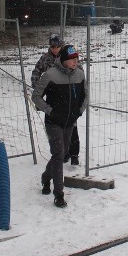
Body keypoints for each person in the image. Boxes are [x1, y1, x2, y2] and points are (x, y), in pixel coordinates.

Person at [31, 44, 88, 208]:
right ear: (63, 60)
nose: (75, 62)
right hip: (54, 122)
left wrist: (79, 111)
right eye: (71, 60)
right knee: (59, 154)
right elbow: (36, 96)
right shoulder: (50, 75)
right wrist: (49, 111)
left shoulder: (80, 74)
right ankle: (59, 194)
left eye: (76, 59)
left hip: (70, 121)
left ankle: (45, 177)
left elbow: (86, 95)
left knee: (60, 155)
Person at [31, 34, 81, 165]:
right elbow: (36, 72)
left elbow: (79, 71)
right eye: (52, 46)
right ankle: (62, 153)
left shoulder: (68, 55)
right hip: (54, 97)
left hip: (69, 94)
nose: (54, 49)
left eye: (57, 46)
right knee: (57, 127)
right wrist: (38, 92)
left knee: (72, 125)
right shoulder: (45, 58)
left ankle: (74, 154)